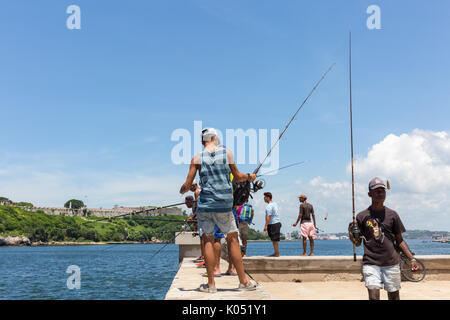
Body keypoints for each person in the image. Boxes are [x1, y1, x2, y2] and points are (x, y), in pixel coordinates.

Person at [180, 127, 258, 293]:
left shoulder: (196, 158)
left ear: (203, 141)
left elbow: (187, 185)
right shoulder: (227, 153)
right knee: (232, 239)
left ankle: (211, 285)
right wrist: (250, 177)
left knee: (208, 240)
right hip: (224, 203)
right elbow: (237, 176)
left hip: (206, 204)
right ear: (214, 138)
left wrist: (184, 189)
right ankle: (243, 281)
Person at [348, 177, 419, 300]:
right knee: (374, 297)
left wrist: (412, 259)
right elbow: (357, 242)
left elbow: (400, 240)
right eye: (377, 191)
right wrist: (351, 232)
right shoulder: (361, 216)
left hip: (391, 263)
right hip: (371, 263)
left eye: (382, 191)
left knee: (394, 297)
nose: (380, 193)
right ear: (370, 194)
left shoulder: (393, 215)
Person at [263, 192, 281, 257]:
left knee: (274, 239)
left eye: (264, 197)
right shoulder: (275, 204)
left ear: (268, 198)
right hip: (276, 222)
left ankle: (277, 253)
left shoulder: (269, 206)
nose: (264, 199)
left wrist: (266, 225)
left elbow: (269, 216)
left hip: (273, 223)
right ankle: (276, 252)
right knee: (274, 239)